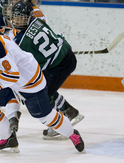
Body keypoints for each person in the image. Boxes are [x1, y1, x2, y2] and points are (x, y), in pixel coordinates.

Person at [0, 19, 84, 153]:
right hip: (11, 81)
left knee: (45, 117)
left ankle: (72, 133)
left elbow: (13, 75)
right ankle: (8, 139)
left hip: (30, 83)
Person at [10, 1, 84, 139]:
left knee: (43, 93)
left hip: (60, 65)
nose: (17, 21)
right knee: (45, 86)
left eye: (21, 17)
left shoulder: (23, 42)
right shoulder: (37, 20)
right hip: (65, 54)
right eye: (15, 17)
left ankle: (58, 126)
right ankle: (69, 111)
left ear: (27, 17)